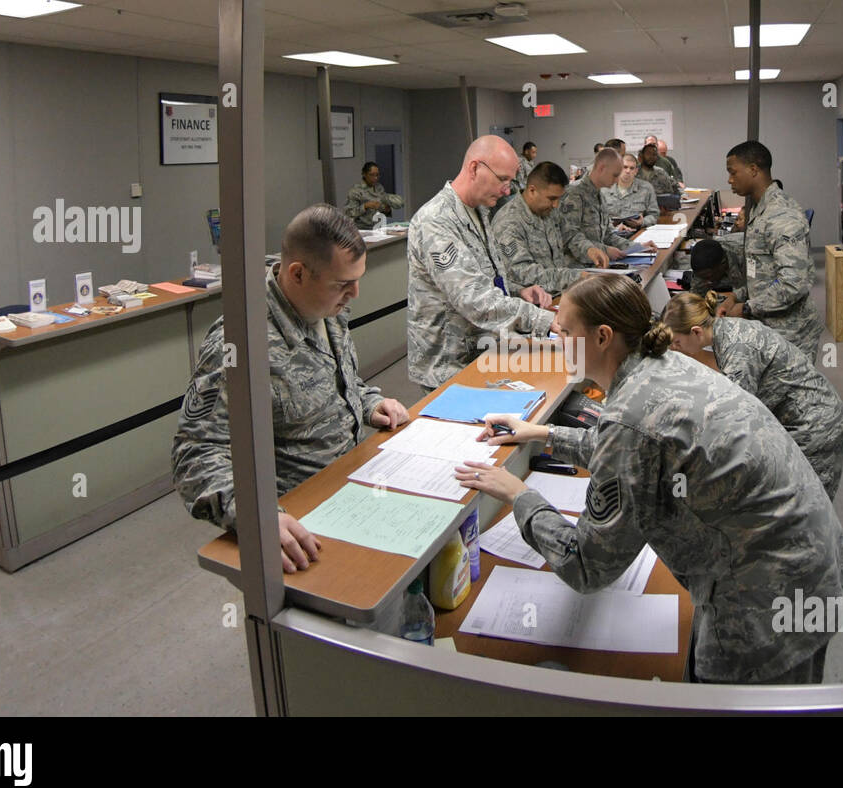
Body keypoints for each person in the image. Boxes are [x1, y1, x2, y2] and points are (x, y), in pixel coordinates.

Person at [456, 273, 843, 684]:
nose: (557, 341)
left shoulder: (631, 415)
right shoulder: (665, 364)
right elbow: (639, 447)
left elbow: (586, 565)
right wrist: (541, 433)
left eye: (565, 331)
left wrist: (519, 495)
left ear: (602, 337)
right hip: (807, 561)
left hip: (765, 601)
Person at [173, 204, 411, 573]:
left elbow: (338, 382)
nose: (355, 293)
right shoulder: (240, 343)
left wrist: (368, 403)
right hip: (301, 527)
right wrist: (257, 517)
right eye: (343, 283)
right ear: (298, 273)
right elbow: (196, 453)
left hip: (352, 492)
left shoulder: (327, 309)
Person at [664, 290, 843, 499]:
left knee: (806, 504)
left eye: (677, 343)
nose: (675, 349)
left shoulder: (738, 349)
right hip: (802, 413)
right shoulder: (727, 330)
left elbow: (734, 420)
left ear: (697, 332)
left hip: (814, 424)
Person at [406, 135, 556, 392]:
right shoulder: (436, 221)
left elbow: (483, 275)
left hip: (483, 350)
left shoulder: (478, 210)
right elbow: (473, 299)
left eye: (511, 181)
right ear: (474, 168)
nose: (507, 190)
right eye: (502, 179)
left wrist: (519, 290)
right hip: (449, 365)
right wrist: (541, 320)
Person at [714, 141, 822, 360]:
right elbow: (764, 275)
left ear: (754, 169)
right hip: (769, 327)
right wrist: (736, 296)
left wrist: (746, 308)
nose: (729, 179)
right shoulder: (759, 209)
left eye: (733, 172)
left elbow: (792, 283)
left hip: (790, 334)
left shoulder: (781, 215)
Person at [491, 161, 609, 294]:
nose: (556, 205)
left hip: (559, 293)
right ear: (532, 190)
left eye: (559, 198)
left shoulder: (549, 211)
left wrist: (589, 249)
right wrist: (574, 277)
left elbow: (569, 235)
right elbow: (522, 272)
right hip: (534, 304)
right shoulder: (508, 222)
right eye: (552, 198)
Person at [558, 148, 652, 257]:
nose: (617, 180)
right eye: (615, 175)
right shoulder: (574, 194)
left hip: (598, 264)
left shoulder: (600, 195)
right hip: (577, 267)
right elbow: (570, 237)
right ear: (602, 168)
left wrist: (637, 247)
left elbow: (608, 235)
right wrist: (605, 250)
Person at [600, 153, 659, 233]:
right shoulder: (604, 189)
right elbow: (597, 218)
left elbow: (654, 215)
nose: (628, 171)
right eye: (625, 167)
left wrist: (642, 222)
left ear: (636, 171)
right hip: (611, 234)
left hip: (637, 233)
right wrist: (614, 228)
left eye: (632, 168)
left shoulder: (646, 188)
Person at [344, 162, 404, 229]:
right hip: (362, 228)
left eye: (377, 175)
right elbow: (348, 213)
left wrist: (387, 209)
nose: (375, 178)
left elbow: (382, 207)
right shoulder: (356, 191)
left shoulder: (379, 187)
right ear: (364, 174)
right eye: (372, 175)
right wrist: (365, 206)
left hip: (378, 226)